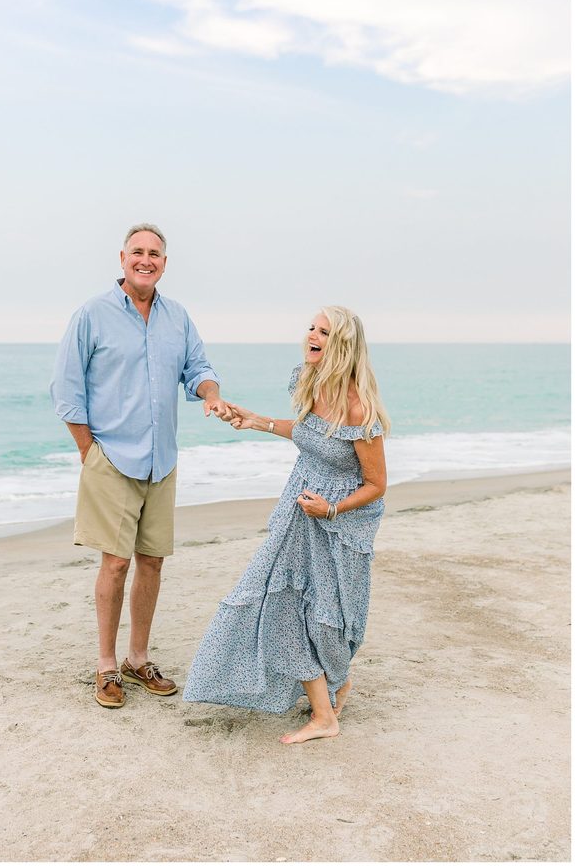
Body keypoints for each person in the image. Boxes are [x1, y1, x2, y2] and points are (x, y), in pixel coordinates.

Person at [183, 306, 389, 744]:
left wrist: (331, 510)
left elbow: (376, 484)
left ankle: (334, 688)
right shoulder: (307, 379)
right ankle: (325, 710)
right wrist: (256, 421)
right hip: (298, 515)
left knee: (327, 620)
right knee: (278, 606)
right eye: (311, 328)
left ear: (343, 346)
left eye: (324, 332)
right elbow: (308, 432)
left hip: (340, 527)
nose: (311, 336)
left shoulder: (358, 408)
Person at [50, 223, 232, 709]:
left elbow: (198, 369)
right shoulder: (92, 314)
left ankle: (138, 658)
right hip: (111, 457)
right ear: (123, 258)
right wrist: (90, 451)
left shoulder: (178, 317)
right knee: (115, 562)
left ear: (164, 263)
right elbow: (67, 389)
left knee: (152, 560)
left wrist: (210, 396)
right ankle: (106, 666)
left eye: (154, 253)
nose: (145, 260)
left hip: (162, 460)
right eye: (137, 252)